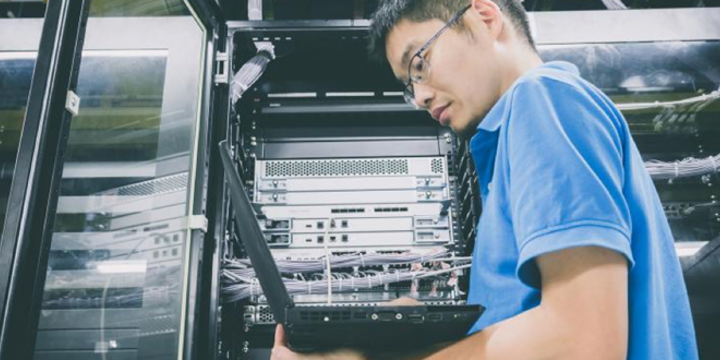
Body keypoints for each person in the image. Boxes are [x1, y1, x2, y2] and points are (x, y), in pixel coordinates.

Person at [271, 0, 699, 359]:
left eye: (418, 63)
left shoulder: (543, 98)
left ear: (485, 16)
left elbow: (583, 340)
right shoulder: (528, 126)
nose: (419, 96)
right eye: (408, 85)